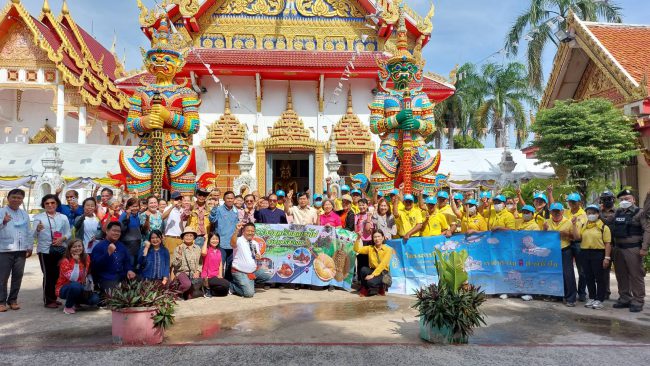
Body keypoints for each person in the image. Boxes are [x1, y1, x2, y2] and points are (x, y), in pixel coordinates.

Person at [611, 190, 647, 312]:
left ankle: (638, 300)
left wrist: (644, 248)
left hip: (633, 248)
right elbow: (608, 223)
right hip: (618, 248)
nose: (624, 201)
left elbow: (648, 230)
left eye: (627, 199)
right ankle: (625, 298)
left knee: (636, 275)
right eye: (621, 200)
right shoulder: (618, 212)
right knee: (621, 275)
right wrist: (599, 213)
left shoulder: (640, 212)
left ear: (634, 200)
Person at [34, 194, 71, 309]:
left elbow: (68, 233)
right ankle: (48, 300)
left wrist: (62, 238)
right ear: (43, 205)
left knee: (58, 275)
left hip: (60, 249)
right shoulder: (39, 217)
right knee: (49, 275)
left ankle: (54, 297)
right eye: (47, 203)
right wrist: (37, 229)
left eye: (53, 203)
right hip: (45, 250)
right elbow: (33, 235)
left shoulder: (63, 217)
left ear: (57, 204)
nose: (50, 205)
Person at [571, 205, 611, 310]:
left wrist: (607, 257)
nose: (591, 215)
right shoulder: (584, 225)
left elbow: (607, 243)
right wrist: (574, 225)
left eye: (593, 213)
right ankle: (592, 297)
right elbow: (577, 237)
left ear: (598, 214)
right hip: (584, 253)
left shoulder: (603, 227)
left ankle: (600, 299)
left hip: (598, 253)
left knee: (599, 277)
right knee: (588, 277)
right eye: (589, 213)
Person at [0, 189, 32, 312]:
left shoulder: (24, 214)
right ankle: (1, 302)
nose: (16, 200)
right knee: (2, 277)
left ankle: (13, 300)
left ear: (22, 200)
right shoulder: (1, 211)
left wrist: (29, 246)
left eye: (19, 198)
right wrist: (3, 221)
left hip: (21, 249)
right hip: (4, 249)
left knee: (17, 276)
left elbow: (28, 231)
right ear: (8, 198)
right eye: (14, 197)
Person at [543, 202, 576, 306]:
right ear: (551, 212)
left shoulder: (569, 222)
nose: (556, 213)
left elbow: (575, 237)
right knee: (552, 273)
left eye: (558, 211)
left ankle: (570, 298)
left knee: (568, 274)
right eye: (554, 211)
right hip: (551, 252)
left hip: (564, 250)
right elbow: (541, 238)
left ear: (562, 211)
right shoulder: (546, 222)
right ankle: (555, 295)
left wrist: (567, 234)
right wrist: (544, 230)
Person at [90, 222, 136, 295]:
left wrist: (129, 270)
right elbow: (95, 267)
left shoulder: (122, 246)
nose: (116, 233)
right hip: (106, 278)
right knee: (116, 295)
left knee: (139, 284)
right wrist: (108, 253)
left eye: (118, 231)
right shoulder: (99, 247)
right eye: (114, 230)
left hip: (121, 276)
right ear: (107, 231)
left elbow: (127, 262)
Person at [56, 239, 99, 314]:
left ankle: (75, 302)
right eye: (74, 247)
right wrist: (76, 263)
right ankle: (68, 307)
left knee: (95, 299)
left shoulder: (86, 257)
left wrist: (90, 284)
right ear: (69, 249)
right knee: (75, 286)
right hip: (64, 288)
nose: (77, 248)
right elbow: (73, 279)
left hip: (81, 287)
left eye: (79, 246)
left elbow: (87, 273)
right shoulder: (65, 261)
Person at [229, 223, 272, 297]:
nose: (250, 233)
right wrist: (236, 230)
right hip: (240, 272)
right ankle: (232, 286)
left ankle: (248, 283)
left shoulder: (255, 243)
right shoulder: (239, 240)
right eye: (248, 231)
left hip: (252, 271)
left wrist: (258, 257)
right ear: (243, 231)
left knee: (268, 275)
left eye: (252, 231)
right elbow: (232, 244)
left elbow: (256, 256)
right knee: (249, 294)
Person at [354, 230, 392, 297]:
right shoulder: (370, 248)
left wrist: (372, 275)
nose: (377, 239)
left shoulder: (388, 249)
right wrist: (358, 238)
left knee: (371, 282)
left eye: (379, 236)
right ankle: (364, 288)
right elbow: (357, 250)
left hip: (383, 272)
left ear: (383, 238)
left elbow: (382, 264)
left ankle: (381, 288)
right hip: (373, 269)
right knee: (363, 269)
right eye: (375, 237)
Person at [565, 192, 588, 302]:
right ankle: (570, 291)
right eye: (570, 202)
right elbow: (553, 206)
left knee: (582, 270)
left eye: (574, 202)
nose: (572, 204)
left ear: (579, 202)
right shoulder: (566, 213)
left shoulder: (584, 215)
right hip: (567, 243)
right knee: (568, 270)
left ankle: (582, 292)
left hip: (579, 244)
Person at [171, 227, 202, 299]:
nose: (188, 237)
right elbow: (175, 265)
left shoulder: (197, 248)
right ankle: (174, 293)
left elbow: (200, 262)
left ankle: (184, 293)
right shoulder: (178, 248)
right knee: (186, 284)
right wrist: (179, 256)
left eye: (191, 235)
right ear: (183, 237)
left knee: (191, 297)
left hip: (193, 274)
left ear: (194, 237)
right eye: (186, 235)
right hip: (181, 272)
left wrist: (197, 271)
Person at [599, 190, 616, 299]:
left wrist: (599, 214)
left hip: (617, 244)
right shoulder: (597, 212)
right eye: (605, 199)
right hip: (604, 245)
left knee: (621, 272)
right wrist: (599, 212)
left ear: (613, 199)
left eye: (609, 198)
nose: (607, 201)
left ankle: (625, 295)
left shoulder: (618, 211)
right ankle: (605, 293)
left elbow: (608, 222)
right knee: (604, 271)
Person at [201, 233, 230, 297]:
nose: (215, 241)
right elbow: (203, 253)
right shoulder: (207, 249)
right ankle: (206, 286)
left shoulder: (219, 251)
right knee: (227, 284)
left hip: (216, 276)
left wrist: (220, 274)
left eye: (217, 239)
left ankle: (209, 290)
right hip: (208, 276)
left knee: (224, 291)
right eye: (213, 239)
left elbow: (220, 264)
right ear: (209, 240)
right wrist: (206, 240)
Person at [119, 198, 142, 267]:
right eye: (133, 206)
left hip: (137, 244)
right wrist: (127, 217)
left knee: (135, 264)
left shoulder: (137, 216)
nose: (135, 208)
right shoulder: (124, 215)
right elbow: (121, 228)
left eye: (137, 206)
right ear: (128, 207)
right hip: (128, 244)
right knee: (129, 264)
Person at [162, 191, 185, 262]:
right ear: (172, 200)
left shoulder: (183, 210)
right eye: (176, 199)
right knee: (169, 261)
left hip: (181, 238)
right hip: (170, 238)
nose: (179, 200)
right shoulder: (168, 208)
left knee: (179, 262)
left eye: (180, 198)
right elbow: (163, 217)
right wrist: (172, 206)